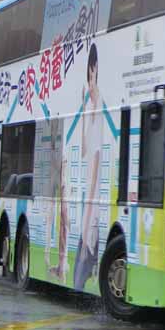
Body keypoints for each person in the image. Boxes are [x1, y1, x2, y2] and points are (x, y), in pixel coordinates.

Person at [74, 43, 103, 291]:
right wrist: (85, 111)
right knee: (78, 273)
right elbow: (83, 149)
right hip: (84, 201)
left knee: (80, 273)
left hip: (91, 206)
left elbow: (95, 169)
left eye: (93, 73)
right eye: (88, 74)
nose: (91, 80)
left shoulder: (101, 105)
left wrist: (85, 223)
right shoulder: (90, 106)